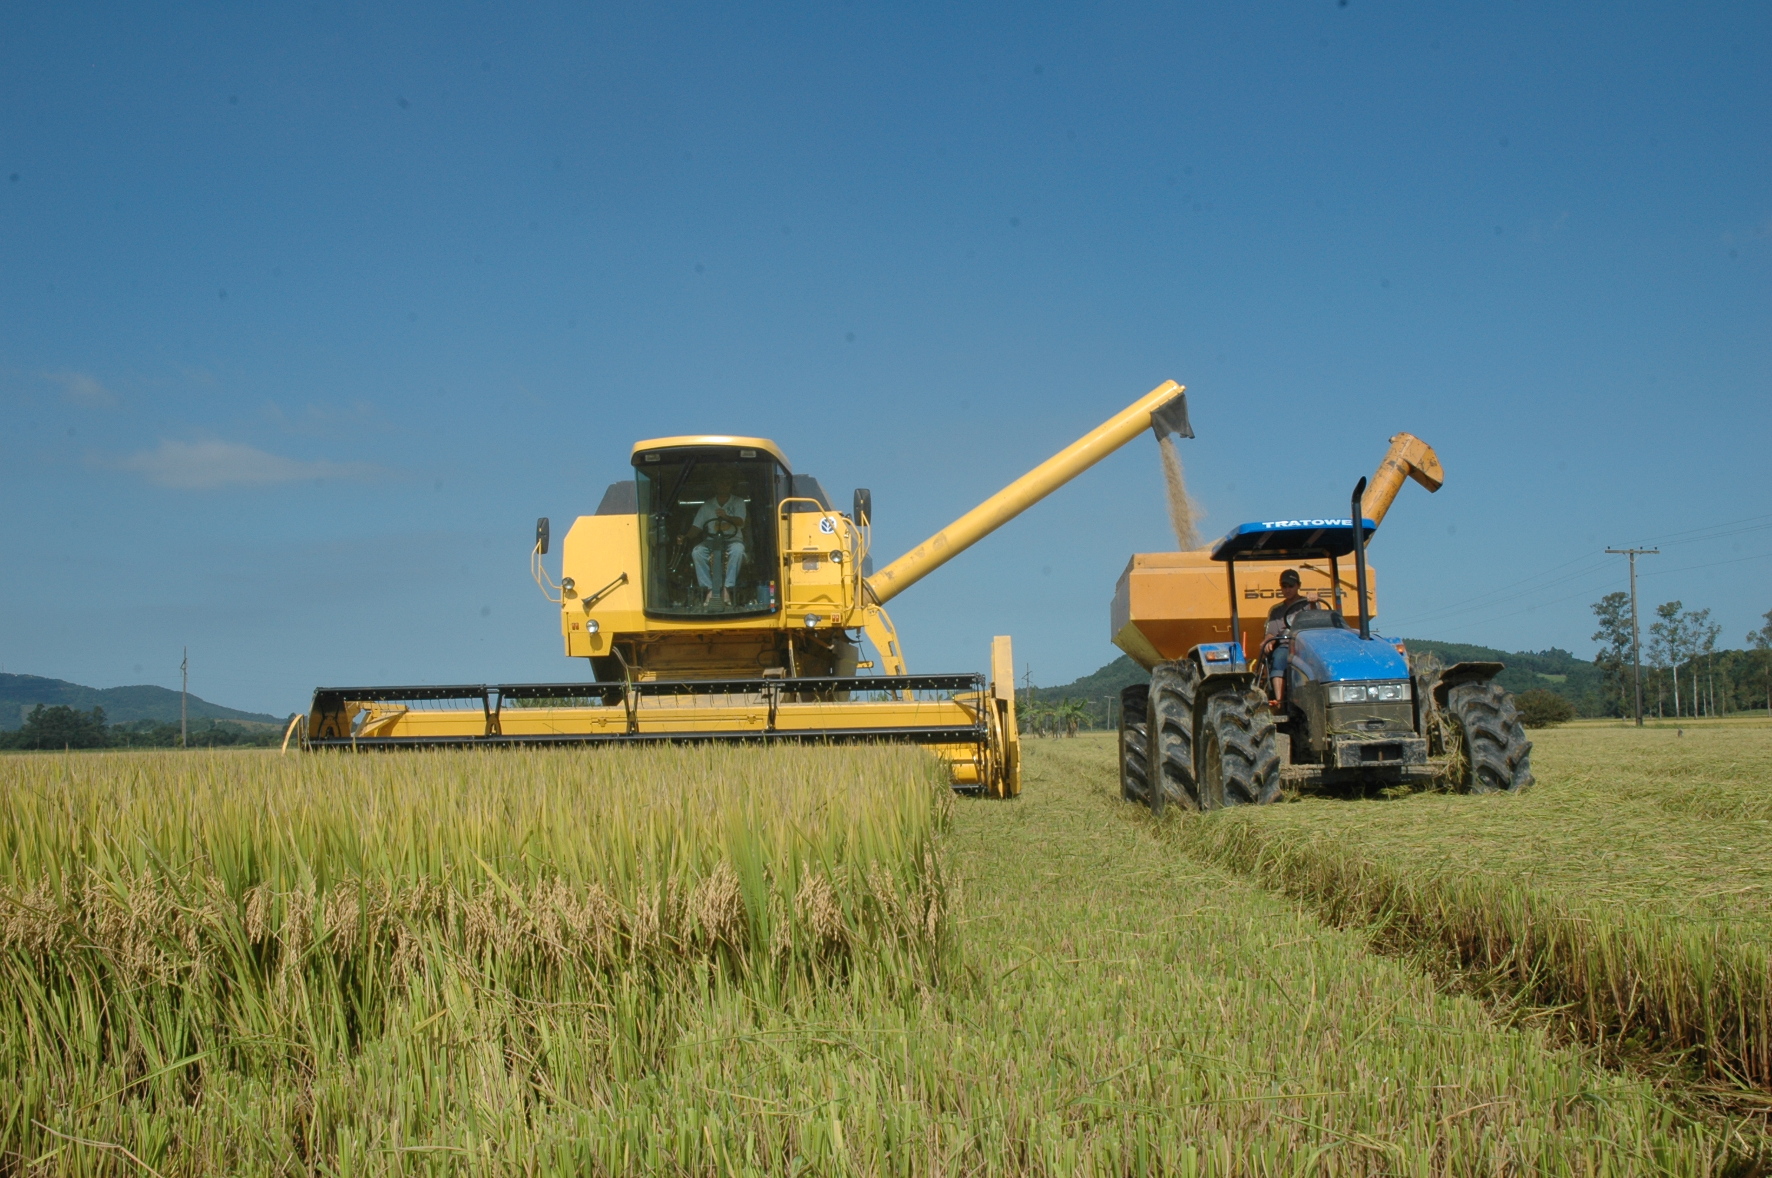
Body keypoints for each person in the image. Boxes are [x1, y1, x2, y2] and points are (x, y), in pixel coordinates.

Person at [1262, 568, 1323, 705]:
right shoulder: (1276, 610)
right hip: (1286, 645)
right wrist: (1267, 641)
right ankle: (1279, 701)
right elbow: (1271, 632)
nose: (1287, 589)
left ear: (1298, 586)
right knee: (1278, 658)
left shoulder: (1309, 604)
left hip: (1307, 645)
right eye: (1284, 586)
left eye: (1291, 586)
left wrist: (1313, 601)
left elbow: (1317, 620)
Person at [690, 473, 747, 606]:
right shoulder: (707, 505)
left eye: (727, 483)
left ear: (731, 486)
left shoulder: (738, 502)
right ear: (715, 486)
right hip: (711, 540)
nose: (723, 486)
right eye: (720, 483)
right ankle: (709, 589)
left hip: (733, 540)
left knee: (738, 551)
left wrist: (726, 517)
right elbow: (696, 526)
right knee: (697, 552)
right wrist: (685, 536)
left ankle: (727, 588)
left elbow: (740, 521)